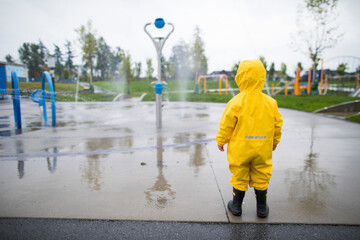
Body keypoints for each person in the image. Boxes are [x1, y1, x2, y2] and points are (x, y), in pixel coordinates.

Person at [216, 59, 283, 218]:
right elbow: (278, 124)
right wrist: (274, 142)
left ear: (241, 77)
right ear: (262, 77)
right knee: (262, 174)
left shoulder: (236, 102)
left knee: (239, 174)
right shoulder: (270, 102)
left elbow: (226, 124)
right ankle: (261, 208)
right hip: (262, 148)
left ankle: (237, 206)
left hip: (241, 149)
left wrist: (221, 140)